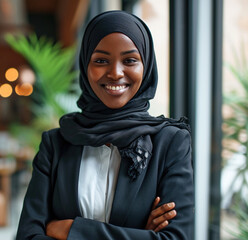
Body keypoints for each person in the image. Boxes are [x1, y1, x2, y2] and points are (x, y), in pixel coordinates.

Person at [16, 10, 194, 239]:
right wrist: (138, 234)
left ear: (146, 66)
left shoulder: (171, 143)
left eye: (130, 60)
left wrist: (72, 230)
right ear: (85, 66)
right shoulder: (55, 144)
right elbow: (28, 236)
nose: (115, 73)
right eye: (101, 60)